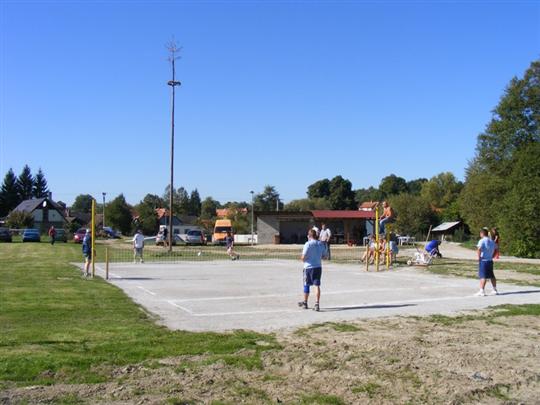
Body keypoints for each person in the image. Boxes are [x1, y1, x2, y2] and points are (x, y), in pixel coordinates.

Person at [298, 228, 327, 311]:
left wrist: (304, 258)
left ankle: (305, 302)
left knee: (306, 285)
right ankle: (317, 304)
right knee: (317, 285)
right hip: (318, 267)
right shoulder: (321, 244)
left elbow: (303, 257)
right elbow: (324, 256)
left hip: (308, 267)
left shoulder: (308, 244)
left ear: (309, 236)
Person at [475, 228, 498, 296]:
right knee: (491, 275)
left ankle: (482, 291)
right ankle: (494, 290)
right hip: (490, 260)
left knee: (483, 276)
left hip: (483, 260)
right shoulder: (492, 241)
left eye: (480, 233)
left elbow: (479, 249)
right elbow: (496, 249)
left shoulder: (482, 240)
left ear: (482, 233)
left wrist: (479, 257)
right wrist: (492, 256)